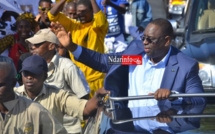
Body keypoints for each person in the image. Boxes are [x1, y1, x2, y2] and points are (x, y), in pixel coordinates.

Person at [50, 18, 206, 107]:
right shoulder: (135, 56)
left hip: (163, 127)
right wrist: (72, 47)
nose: (144, 42)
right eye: (143, 37)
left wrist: (174, 96)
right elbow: (103, 61)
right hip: (128, 125)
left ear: (166, 41)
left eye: (150, 40)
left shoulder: (185, 65)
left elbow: (199, 100)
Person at [14, 55, 110, 133]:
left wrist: (98, 96)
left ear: (44, 76)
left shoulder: (57, 95)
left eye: (34, 73)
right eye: (26, 73)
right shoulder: (13, 95)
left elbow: (84, 109)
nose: (29, 77)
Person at [25, 28, 90, 133]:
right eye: (32, 45)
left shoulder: (67, 67)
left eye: (37, 45)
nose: (32, 47)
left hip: (67, 129)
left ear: (51, 46)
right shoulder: (29, 67)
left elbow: (84, 98)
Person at [48, 0, 108, 99]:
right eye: (78, 12)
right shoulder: (72, 25)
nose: (81, 14)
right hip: (78, 81)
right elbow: (52, 15)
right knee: (83, 113)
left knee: (101, 112)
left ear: (92, 11)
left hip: (97, 80)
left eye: (84, 11)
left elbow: (101, 20)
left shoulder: (97, 27)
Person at [0, 56, 67, 133]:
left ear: (13, 83)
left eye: (0, 85)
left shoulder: (35, 111)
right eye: (26, 74)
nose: (29, 77)